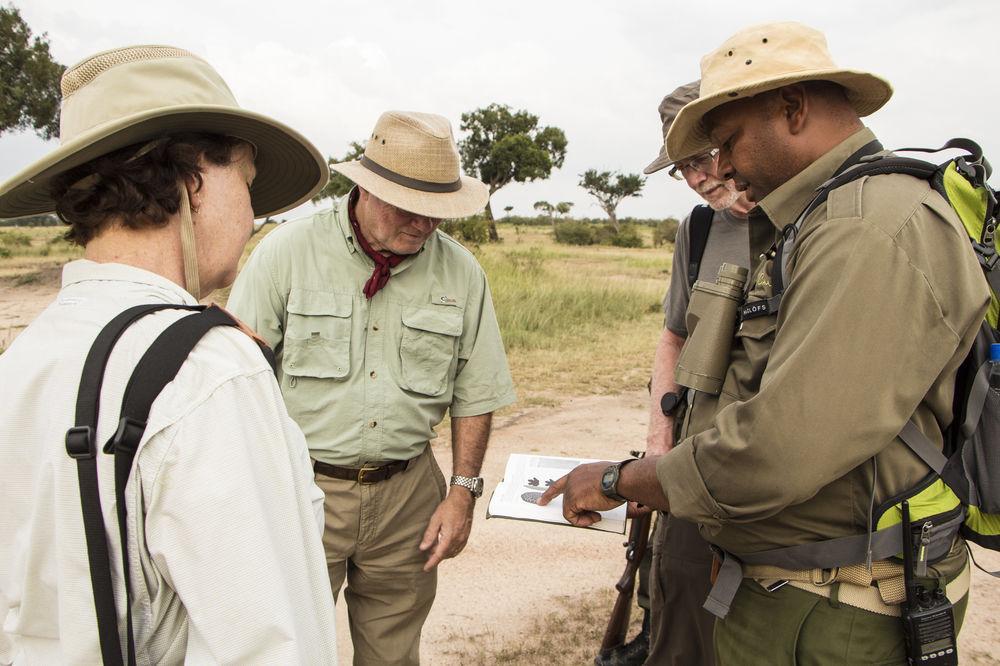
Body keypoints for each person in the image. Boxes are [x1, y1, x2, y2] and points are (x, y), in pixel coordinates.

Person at [542, 21, 987, 664]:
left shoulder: (868, 227)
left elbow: (777, 449)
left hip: (836, 603)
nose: (718, 168)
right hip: (797, 588)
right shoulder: (823, 215)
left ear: (792, 108)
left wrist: (619, 479)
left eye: (726, 143)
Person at [0, 46, 338, 663]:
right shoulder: (208, 372)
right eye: (248, 183)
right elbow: (270, 643)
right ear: (194, 180)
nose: (255, 215)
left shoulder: (28, 355)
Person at [227, 110, 516, 665]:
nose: (425, 224)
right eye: (411, 208)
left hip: (409, 495)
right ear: (365, 188)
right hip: (300, 488)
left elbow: (475, 393)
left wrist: (462, 492)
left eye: (438, 211)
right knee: (282, 647)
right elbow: (240, 381)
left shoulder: (462, 273)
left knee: (393, 653)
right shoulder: (286, 253)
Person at [642, 81, 753, 666]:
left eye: (707, 153)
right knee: (680, 604)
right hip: (696, 463)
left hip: (782, 480)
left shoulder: (818, 217)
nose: (701, 176)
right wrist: (658, 446)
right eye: (683, 165)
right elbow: (675, 335)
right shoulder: (701, 228)